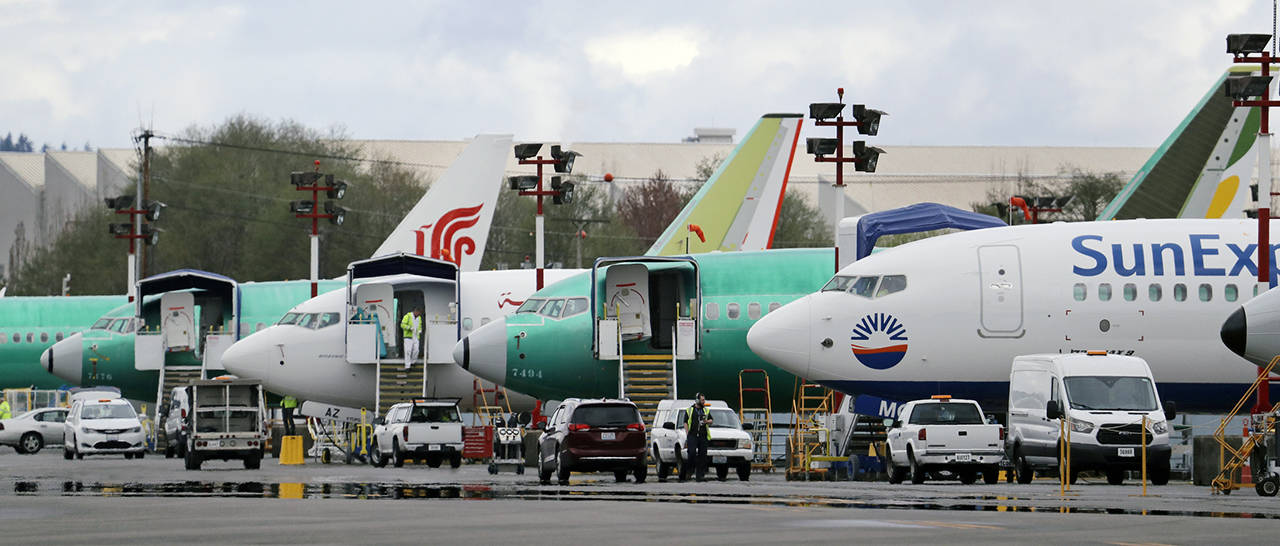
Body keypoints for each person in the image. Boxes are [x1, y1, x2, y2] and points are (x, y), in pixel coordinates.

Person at [682, 393, 712, 482]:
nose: (704, 402)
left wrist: (707, 421)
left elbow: (711, 420)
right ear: (697, 400)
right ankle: (690, 470)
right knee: (691, 453)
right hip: (692, 435)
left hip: (703, 436)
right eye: (702, 400)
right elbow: (685, 422)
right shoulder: (689, 410)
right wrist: (687, 434)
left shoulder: (706, 410)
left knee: (702, 456)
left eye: (704, 400)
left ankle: (700, 475)